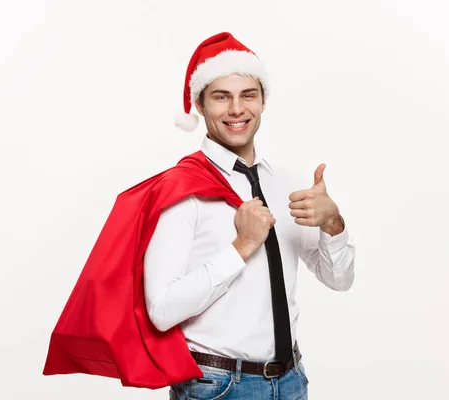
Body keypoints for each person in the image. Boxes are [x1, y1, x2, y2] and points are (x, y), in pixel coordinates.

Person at [143, 32, 355, 399]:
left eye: (248, 95)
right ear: (200, 104)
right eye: (221, 97)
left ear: (263, 101)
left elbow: (339, 280)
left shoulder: (284, 185)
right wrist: (241, 246)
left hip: (291, 382)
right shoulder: (182, 190)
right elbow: (161, 309)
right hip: (219, 386)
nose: (237, 109)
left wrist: (333, 224)